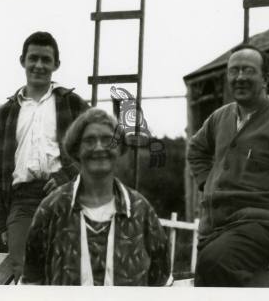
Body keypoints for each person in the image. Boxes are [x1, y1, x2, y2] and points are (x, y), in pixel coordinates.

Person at [187, 44, 269, 287]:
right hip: (216, 227)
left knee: (214, 263)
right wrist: (207, 181)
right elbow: (196, 149)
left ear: (265, 78)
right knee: (205, 274)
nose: (240, 78)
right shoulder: (220, 117)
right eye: (234, 71)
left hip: (259, 226)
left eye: (248, 71)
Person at [21, 108, 171, 286]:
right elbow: (31, 283)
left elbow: (161, 285)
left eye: (108, 140)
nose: (99, 147)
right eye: (90, 140)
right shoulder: (52, 209)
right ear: (76, 149)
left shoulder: (141, 210)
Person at [0, 31, 89, 282]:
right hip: (21, 202)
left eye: (46, 59)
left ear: (57, 64)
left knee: (64, 274)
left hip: (64, 197)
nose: (39, 65)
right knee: (26, 275)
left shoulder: (72, 103)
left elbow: (96, 151)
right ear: (22, 60)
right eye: (33, 58)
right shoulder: (6, 113)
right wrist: (1, 223)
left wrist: (68, 176)